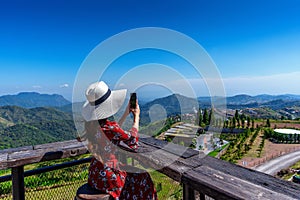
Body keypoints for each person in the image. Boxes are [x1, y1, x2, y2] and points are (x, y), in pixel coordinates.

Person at [80, 81, 157, 200]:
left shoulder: (92, 126)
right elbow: (133, 142)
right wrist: (137, 117)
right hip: (109, 176)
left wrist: (126, 114)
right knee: (143, 177)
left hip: (95, 174)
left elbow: (113, 133)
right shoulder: (109, 127)